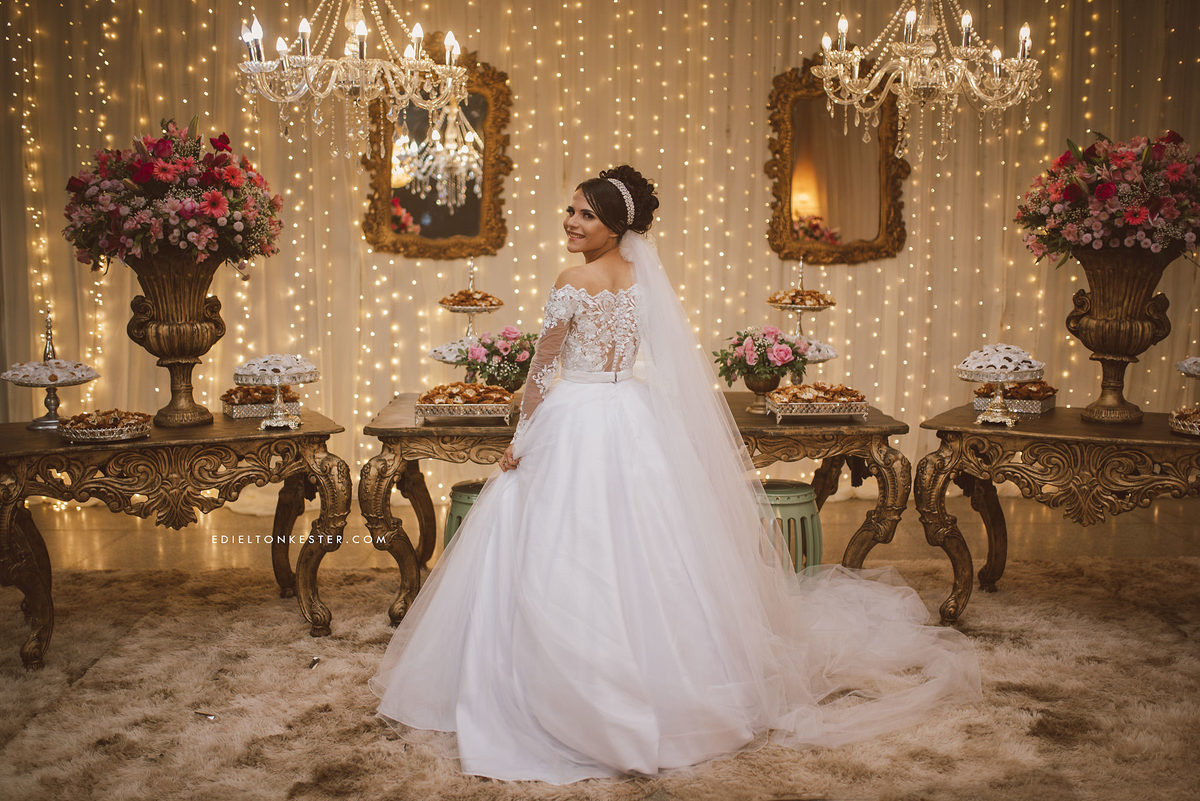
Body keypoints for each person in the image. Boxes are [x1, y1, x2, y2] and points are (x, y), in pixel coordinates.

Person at [369, 165, 981, 785]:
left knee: (558, 541)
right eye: (572, 210)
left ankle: (555, 686)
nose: (572, 222)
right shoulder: (643, 280)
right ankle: (667, 675)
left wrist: (520, 440)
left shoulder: (573, 280)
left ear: (616, 225)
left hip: (574, 415)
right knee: (653, 547)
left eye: (586, 214)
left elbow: (543, 369)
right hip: (631, 413)